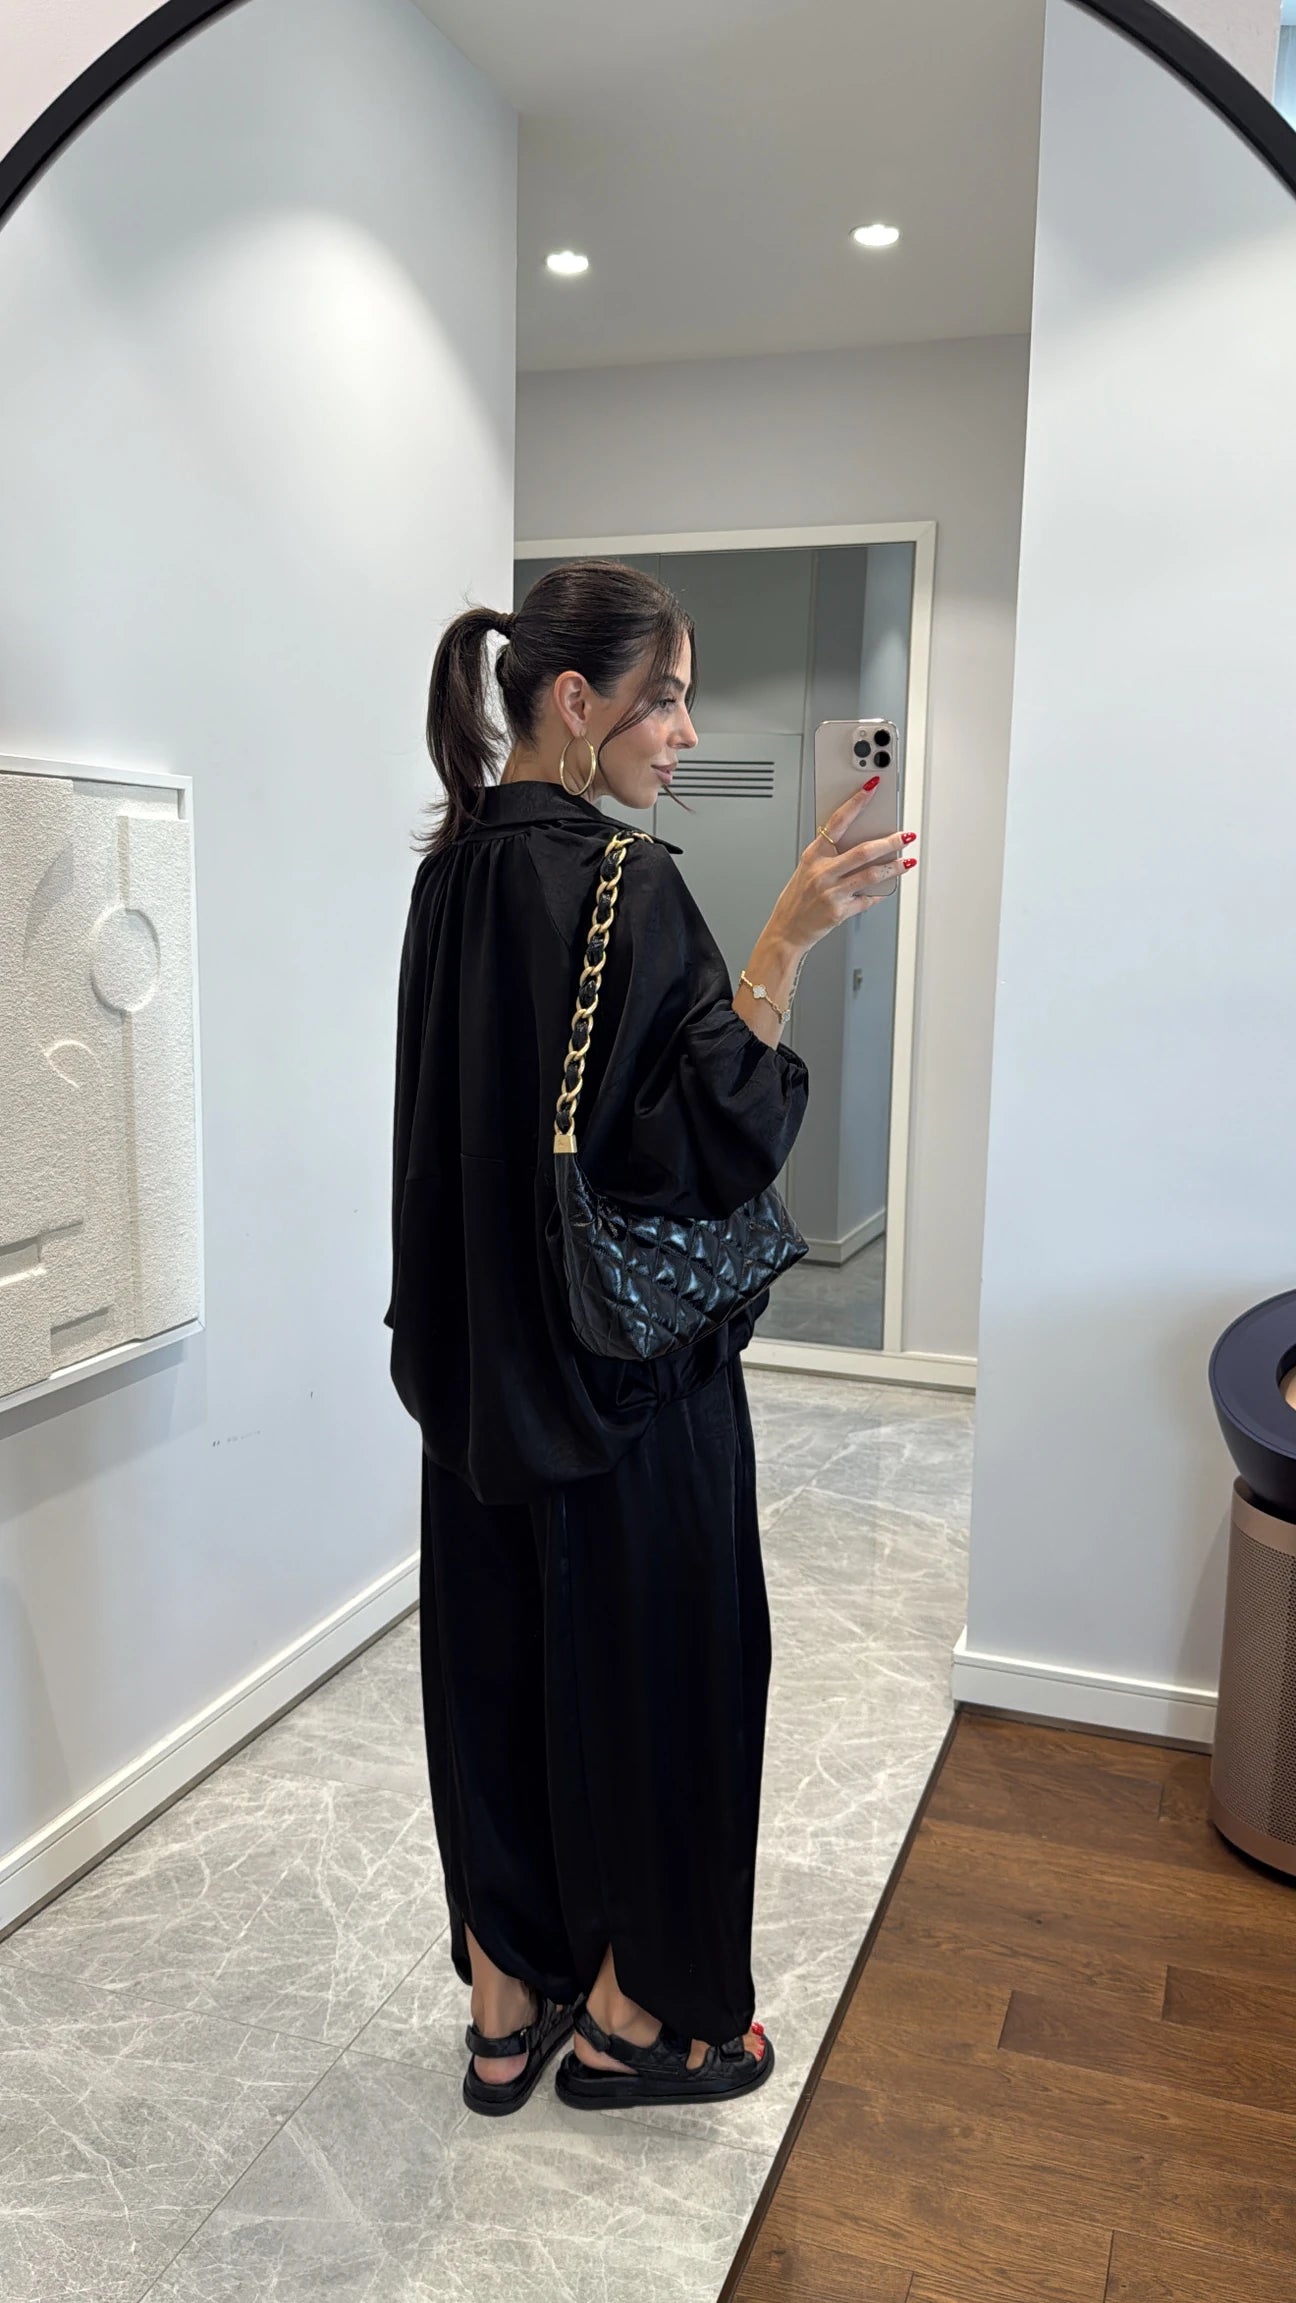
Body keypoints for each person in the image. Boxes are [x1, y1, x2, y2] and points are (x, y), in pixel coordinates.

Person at [385, 559, 912, 2116]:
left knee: (497, 1673)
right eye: (665, 697)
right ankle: (641, 2016)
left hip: (476, 1379)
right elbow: (702, 1146)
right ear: (576, 702)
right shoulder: (631, 885)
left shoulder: (448, 880)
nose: (685, 731)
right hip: (624, 1383)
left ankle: (506, 2008)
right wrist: (785, 944)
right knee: (670, 1678)